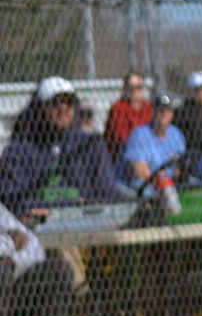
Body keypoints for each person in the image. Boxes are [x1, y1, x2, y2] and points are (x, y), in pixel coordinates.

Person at [0, 77, 119, 218]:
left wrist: (84, 204)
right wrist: (36, 207)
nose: (63, 108)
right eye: (55, 103)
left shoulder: (90, 145)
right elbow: (10, 197)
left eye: (68, 103)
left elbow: (108, 192)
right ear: (41, 108)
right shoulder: (20, 149)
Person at [0, 198, 74, 316]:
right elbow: (16, 239)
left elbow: (34, 247)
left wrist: (11, 259)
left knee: (57, 270)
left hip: (16, 283)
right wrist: (11, 241)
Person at [119, 93, 187, 188]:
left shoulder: (176, 134)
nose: (164, 114)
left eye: (168, 110)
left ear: (172, 114)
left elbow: (180, 166)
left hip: (171, 183)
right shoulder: (139, 134)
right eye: (160, 110)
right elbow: (139, 171)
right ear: (153, 111)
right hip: (147, 185)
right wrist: (163, 184)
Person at [102, 71, 152, 157]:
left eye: (138, 87)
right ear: (125, 89)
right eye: (130, 88)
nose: (134, 91)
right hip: (124, 153)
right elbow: (122, 137)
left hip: (148, 149)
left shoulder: (149, 107)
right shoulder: (118, 108)